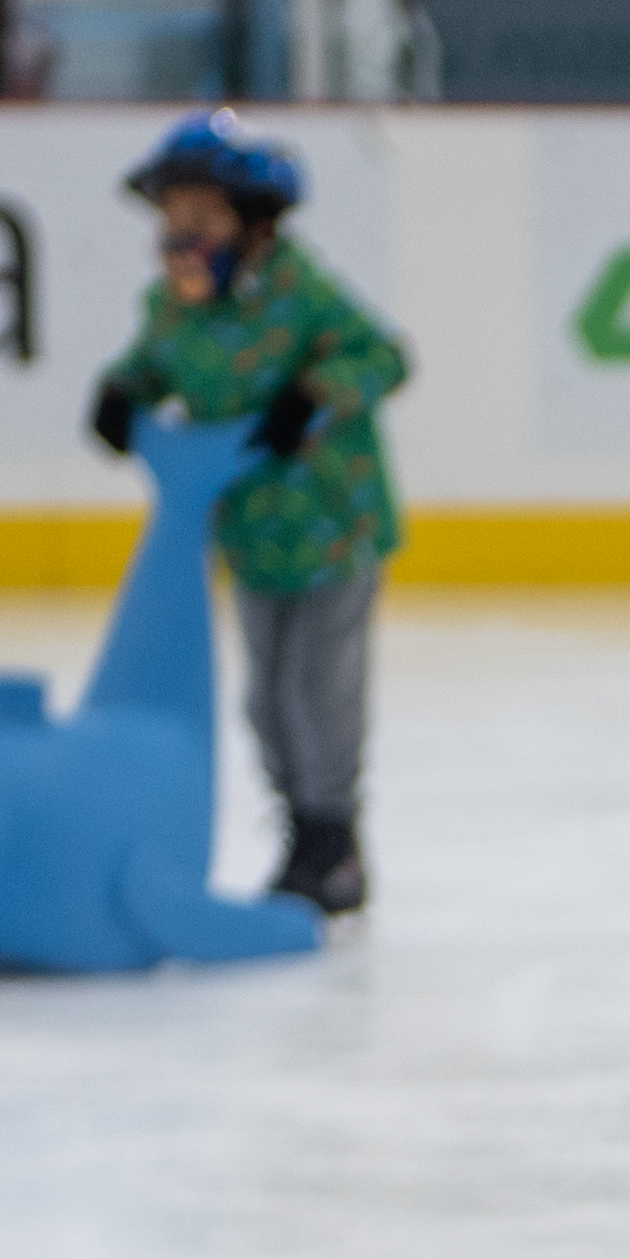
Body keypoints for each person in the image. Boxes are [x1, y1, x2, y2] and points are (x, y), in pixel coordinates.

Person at [87, 113, 410, 921]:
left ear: (256, 227)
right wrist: (122, 394)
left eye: (202, 222)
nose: (182, 241)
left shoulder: (302, 292)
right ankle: (299, 826)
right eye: (172, 224)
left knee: (318, 690)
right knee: (266, 698)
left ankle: (333, 839)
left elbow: (383, 354)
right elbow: (150, 367)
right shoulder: (171, 309)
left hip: (334, 524)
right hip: (252, 535)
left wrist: (314, 395)